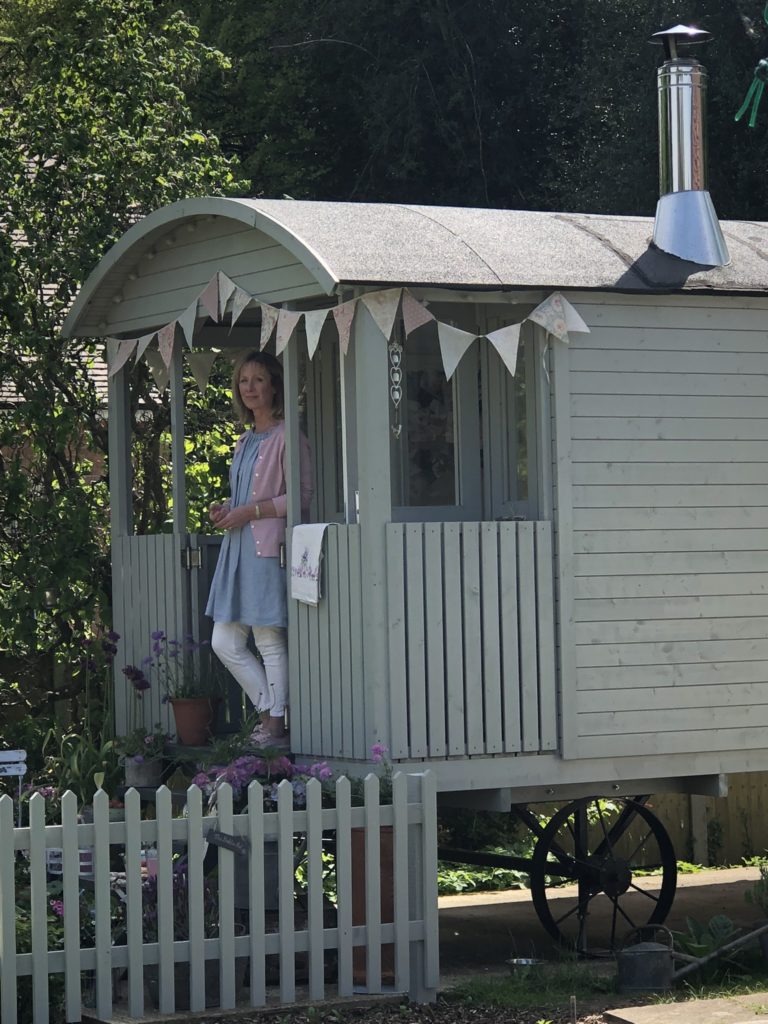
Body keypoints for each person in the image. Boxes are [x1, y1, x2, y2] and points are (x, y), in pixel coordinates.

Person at [206, 350, 313, 748]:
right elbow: (243, 498)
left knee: (268, 640)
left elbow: (301, 498)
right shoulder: (246, 439)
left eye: (259, 380)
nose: (249, 388)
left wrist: (248, 512)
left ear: (274, 386)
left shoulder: (289, 436)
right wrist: (226, 510)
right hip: (238, 550)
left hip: (267, 548)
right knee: (225, 642)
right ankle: (271, 710)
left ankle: (275, 727)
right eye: (244, 380)